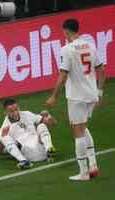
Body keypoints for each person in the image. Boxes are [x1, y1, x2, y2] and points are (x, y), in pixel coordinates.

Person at [46, 19, 106, 181]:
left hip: (76, 96)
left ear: (66, 31)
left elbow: (63, 75)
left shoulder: (66, 50)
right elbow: (101, 70)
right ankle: (93, 165)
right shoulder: (90, 45)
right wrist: (99, 93)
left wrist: (53, 96)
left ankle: (84, 172)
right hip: (91, 94)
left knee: (77, 132)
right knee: (83, 127)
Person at [0, 99, 57, 169]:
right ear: (5, 113)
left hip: (41, 146)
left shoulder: (27, 114)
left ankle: (49, 150)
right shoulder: (5, 127)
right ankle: (24, 161)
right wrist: (3, 138)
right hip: (27, 153)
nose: (15, 112)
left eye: (16, 109)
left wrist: (49, 116)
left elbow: (53, 124)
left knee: (42, 126)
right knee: (5, 138)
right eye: (11, 111)